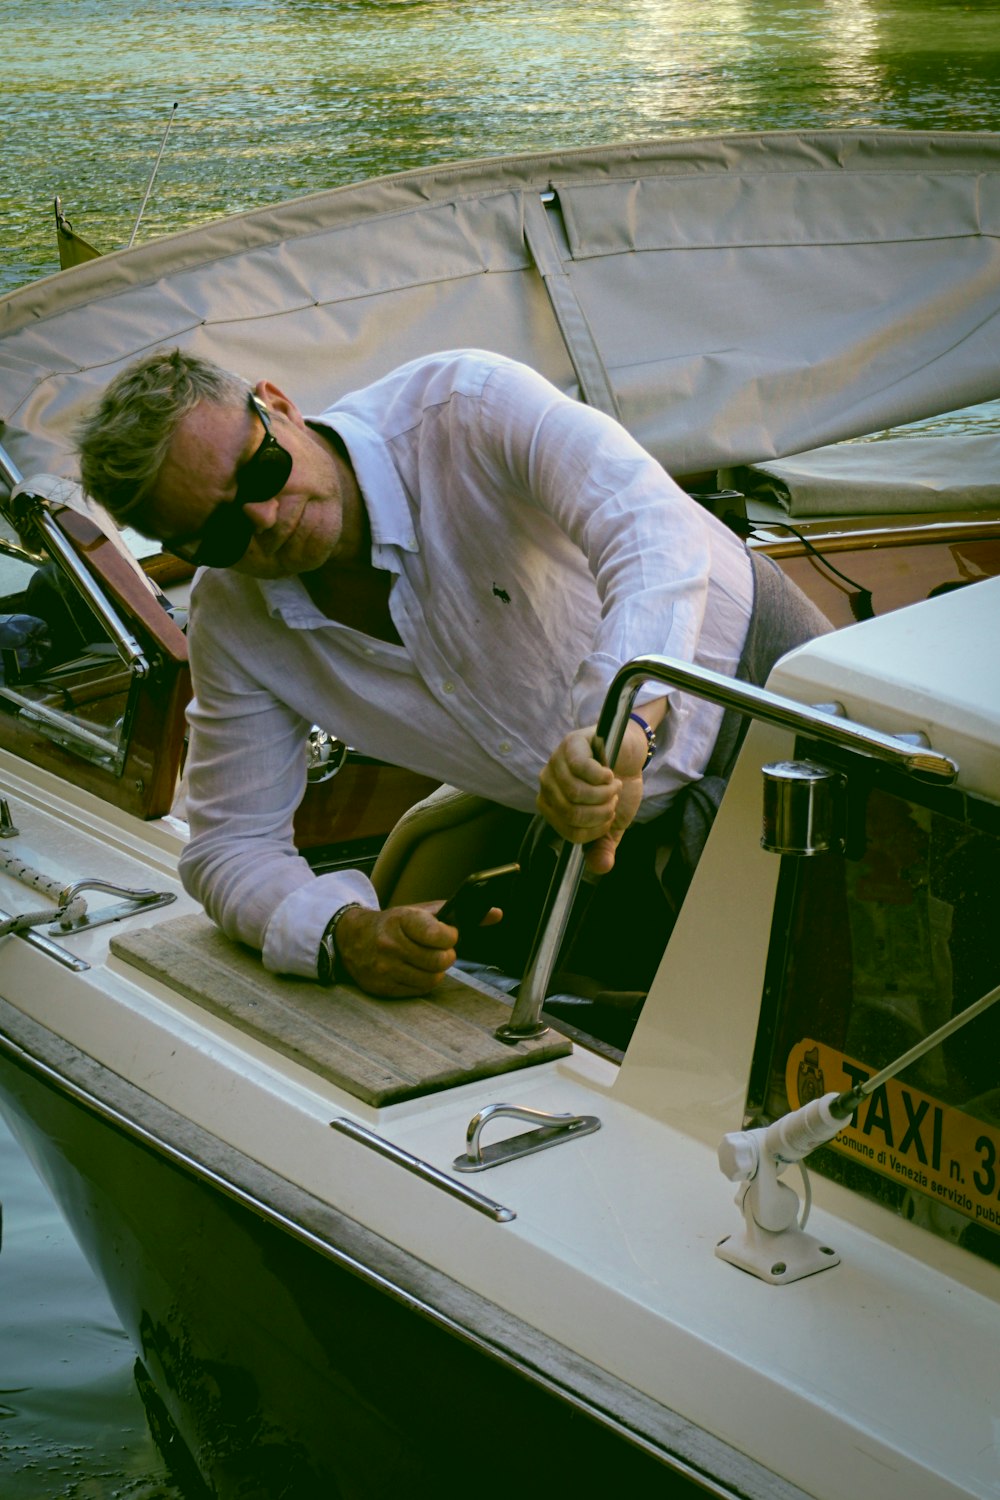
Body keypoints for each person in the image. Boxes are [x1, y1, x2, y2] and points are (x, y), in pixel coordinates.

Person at [77, 346, 830, 1002]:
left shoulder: (466, 404)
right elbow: (228, 846)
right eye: (214, 532)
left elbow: (649, 524)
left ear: (278, 407)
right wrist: (342, 934)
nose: (264, 519)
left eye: (260, 470)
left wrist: (622, 720)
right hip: (598, 835)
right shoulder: (236, 623)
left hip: (776, 686)